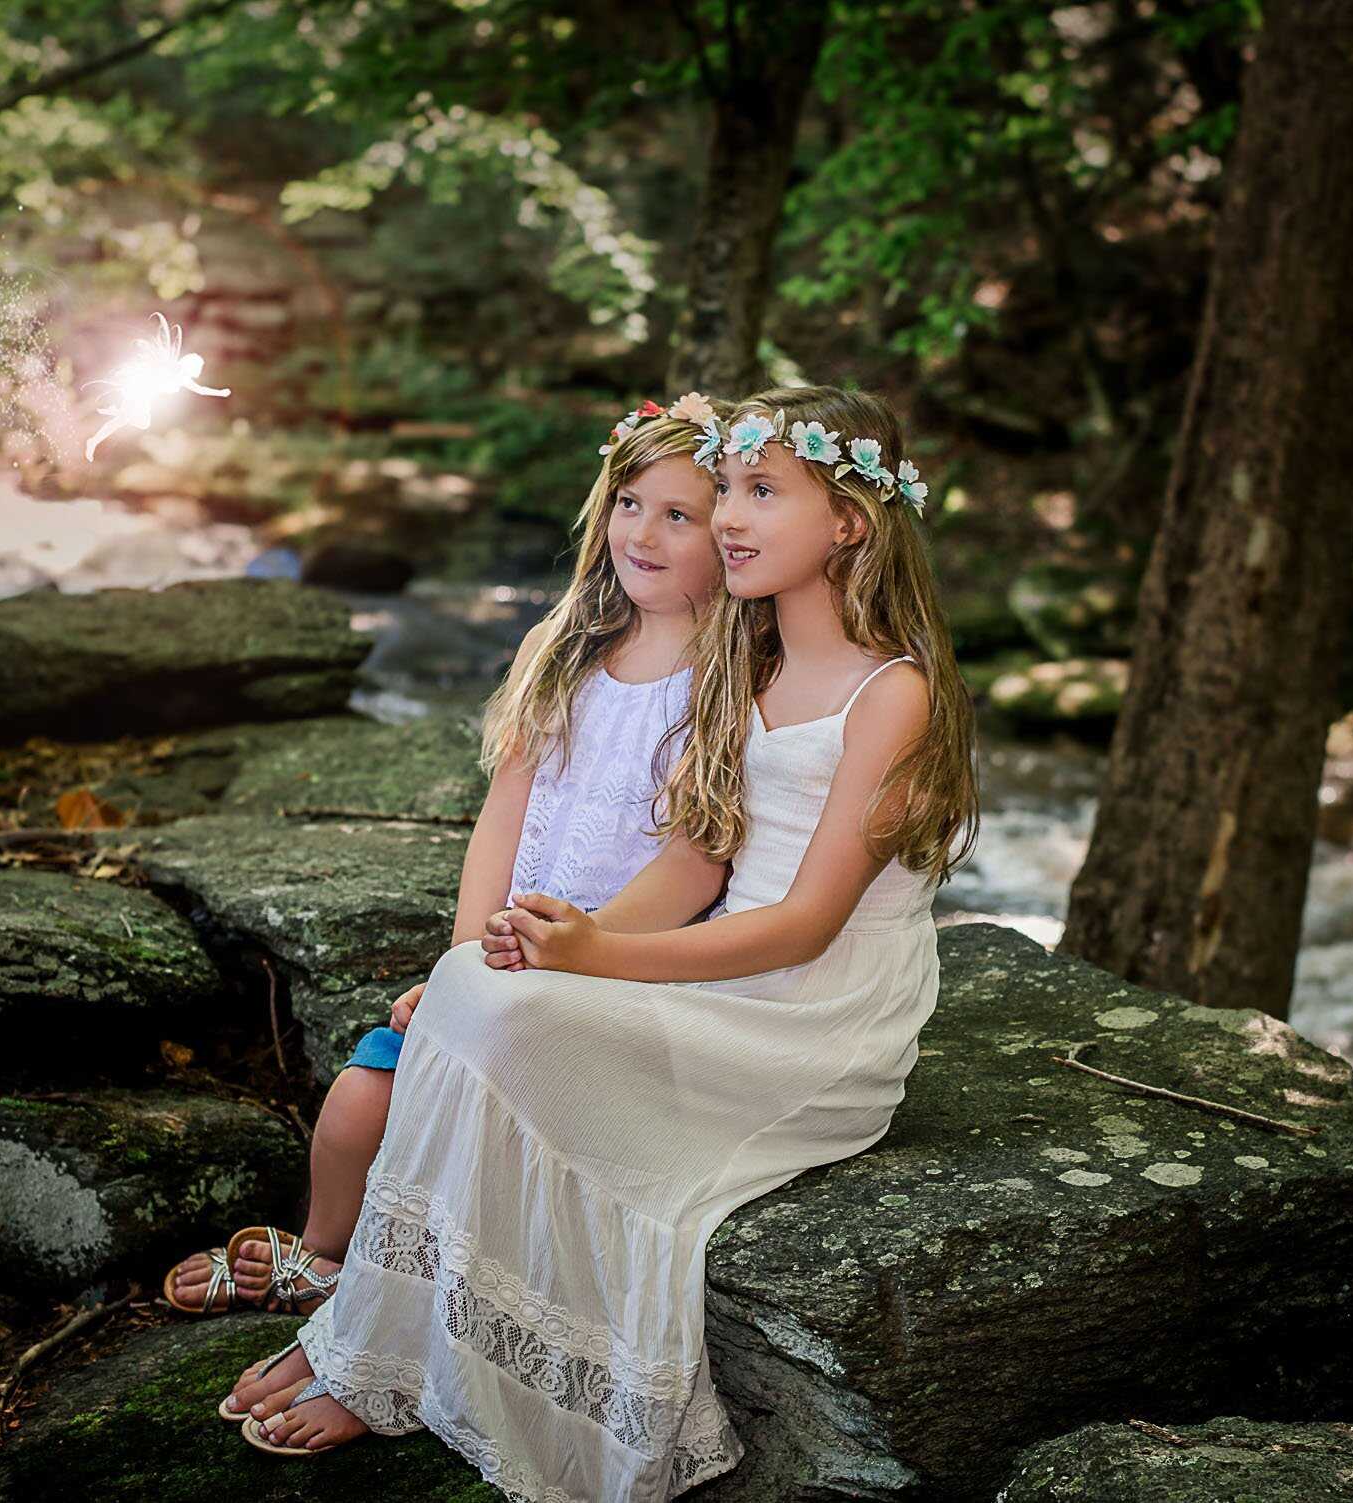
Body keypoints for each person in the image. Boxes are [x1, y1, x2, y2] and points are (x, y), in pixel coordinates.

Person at [228, 384, 982, 1501]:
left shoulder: (893, 692)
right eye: (722, 488)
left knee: (502, 1018)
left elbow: (806, 922)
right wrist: (539, 950)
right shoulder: (748, 662)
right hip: (731, 966)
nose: (727, 515)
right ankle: (374, 1332)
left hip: (813, 1017)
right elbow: (694, 860)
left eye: (760, 491)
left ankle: (375, 1343)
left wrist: (591, 955)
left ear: (851, 523)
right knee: (475, 994)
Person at [161, 392, 734, 1344]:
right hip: (508, 954)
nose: (645, 531)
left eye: (681, 515)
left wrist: (577, 949)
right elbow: (503, 814)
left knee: (468, 1123)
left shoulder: (726, 679)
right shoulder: (563, 650)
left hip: (617, 968)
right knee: (356, 1103)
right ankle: (322, 1255)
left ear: (733, 540)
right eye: (630, 502)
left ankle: (398, 1278)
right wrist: (463, 961)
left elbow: (694, 863)